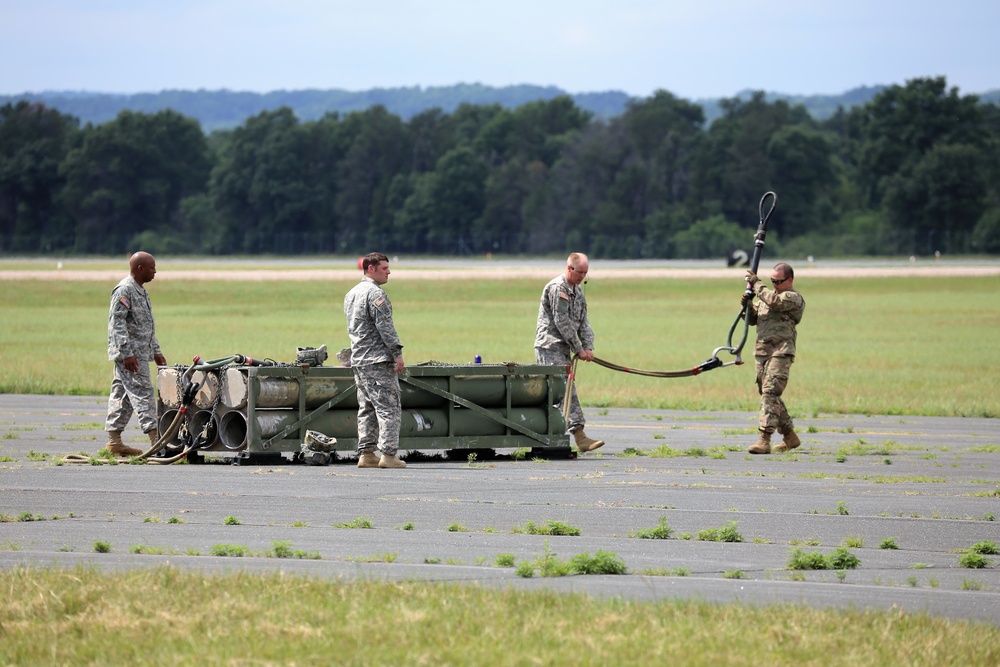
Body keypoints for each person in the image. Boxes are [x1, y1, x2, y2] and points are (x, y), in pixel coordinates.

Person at [535, 252, 605, 453]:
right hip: (550, 346)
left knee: (562, 390)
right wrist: (579, 348)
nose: (582, 277)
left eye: (586, 273)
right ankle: (579, 436)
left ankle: (557, 433)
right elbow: (562, 322)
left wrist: (588, 346)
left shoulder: (577, 291)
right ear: (569, 268)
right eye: (579, 272)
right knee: (563, 390)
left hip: (564, 347)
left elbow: (584, 322)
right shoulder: (558, 289)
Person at [344, 252, 407, 469]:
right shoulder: (375, 295)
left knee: (366, 408)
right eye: (384, 268)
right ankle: (388, 455)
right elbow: (385, 327)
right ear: (371, 268)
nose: (389, 271)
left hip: (359, 360)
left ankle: (367, 453)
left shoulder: (351, 294)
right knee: (389, 407)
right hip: (378, 360)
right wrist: (397, 354)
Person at [104, 251, 167, 457]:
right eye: (151, 267)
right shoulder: (125, 290)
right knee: (144, 394)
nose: (155, 271)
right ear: (140, 269)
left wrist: (156, 351)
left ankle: (114, 442)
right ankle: (157, 442)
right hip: (131, 356)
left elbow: (144, 326)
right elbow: (117, 323)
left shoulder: (140, 290)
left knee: (122, 396)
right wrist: (126, 353)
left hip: (139, 353)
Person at [741, 262, 806, 454]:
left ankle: (764, 438)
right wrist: (747, 305)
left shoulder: (792, 298)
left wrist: (758, 284)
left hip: (781, 351)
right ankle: (789, 436)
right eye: (773, 281)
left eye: (778, 281)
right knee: (768, 394)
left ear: (790, 280)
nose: (775, 284)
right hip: (762, 352)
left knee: (770, 392)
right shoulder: (766, 298)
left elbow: (775, 304)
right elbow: (753, 320)